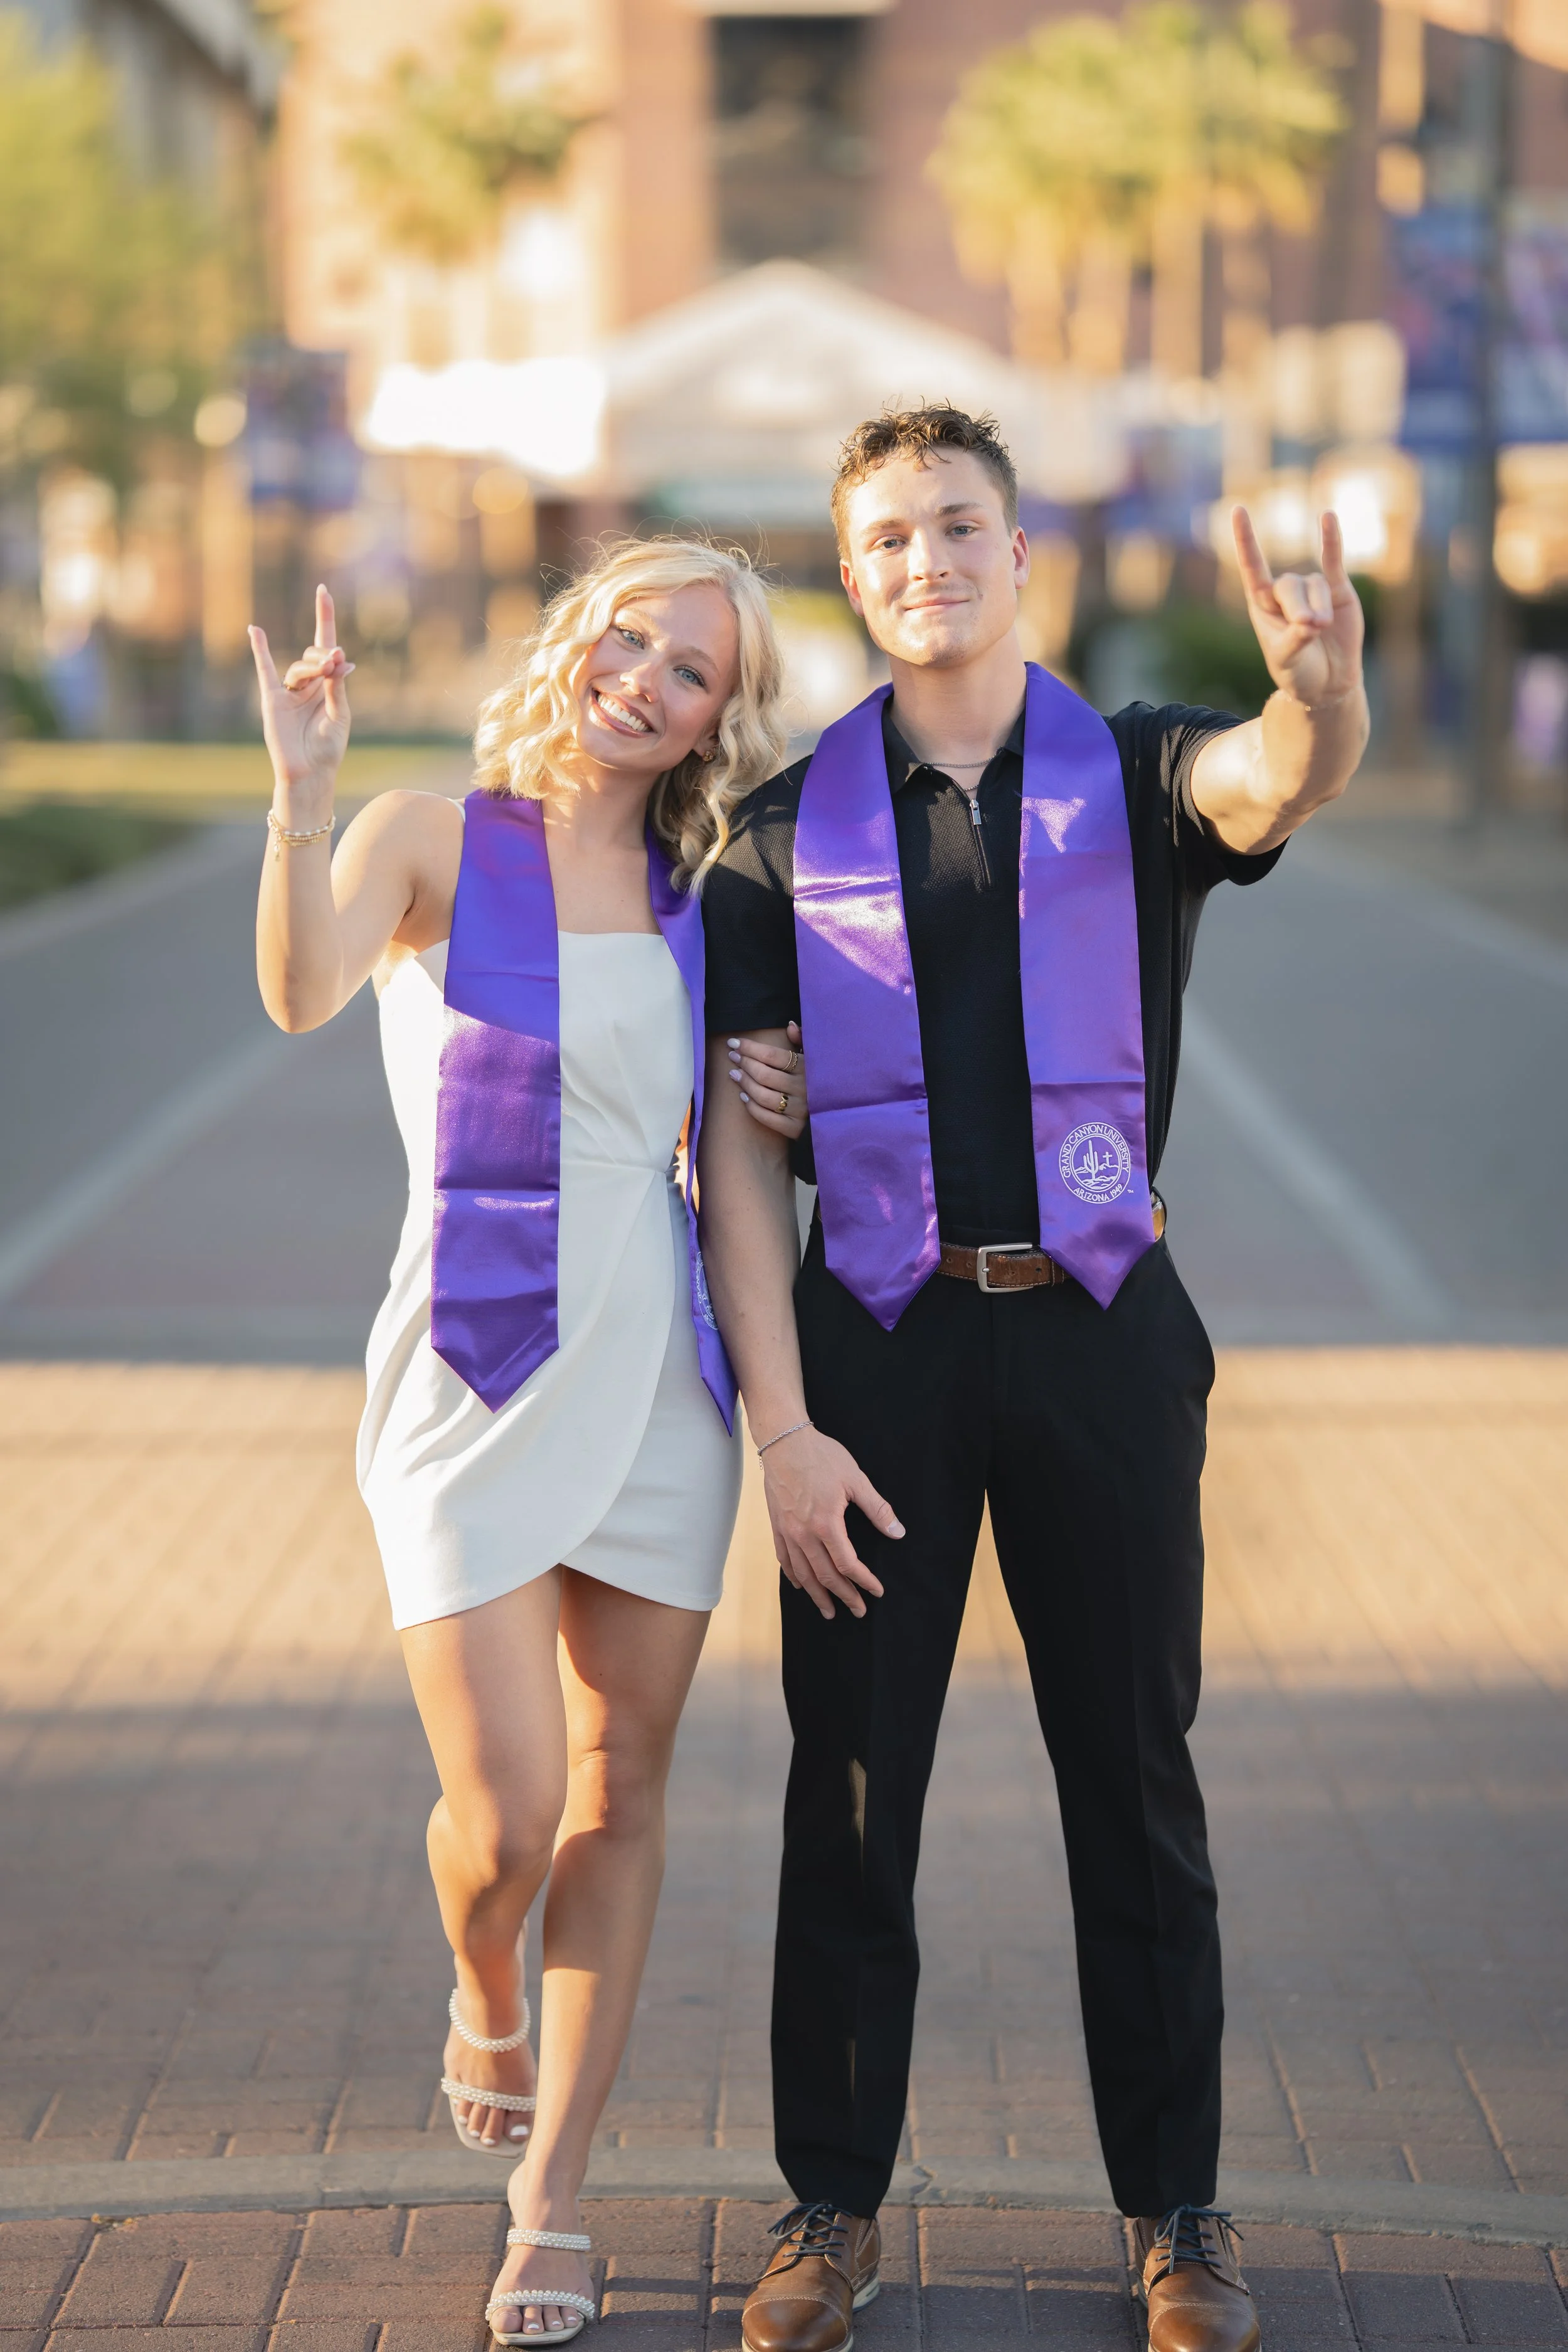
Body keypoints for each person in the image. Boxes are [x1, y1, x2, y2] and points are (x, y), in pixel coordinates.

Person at [697, 405, 1369, 2352]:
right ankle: (828, 2204)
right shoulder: (777, 837)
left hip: (1098, 1338)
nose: (928, 559)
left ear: (1019, 552)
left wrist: (1312, 689)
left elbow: (1272, 781)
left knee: (1133, 1787)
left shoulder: (1134, 771)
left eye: (959, 524)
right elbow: (738, 1156)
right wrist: (783, 1429)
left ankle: (1177, 2211)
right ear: (855, 573)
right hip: (878, 1356)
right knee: (848, 1793)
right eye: (889, 535)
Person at [249, 541, 811, 2344]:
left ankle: (552, 2195)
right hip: (465, 1372)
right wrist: (301, 798)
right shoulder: (430, 836)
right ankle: (481, 1976)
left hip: (652, 1381)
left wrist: (783, 1105)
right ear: (577, 638)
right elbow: (298, 986)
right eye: (628, 636)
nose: (644, 677)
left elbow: (725, 1166)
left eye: (692, 669)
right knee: (496, 1826)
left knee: (620, 1789)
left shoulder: (703, 896)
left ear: (719, 719)